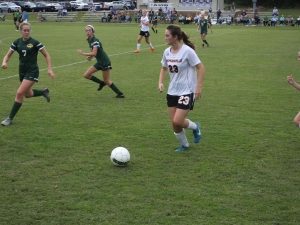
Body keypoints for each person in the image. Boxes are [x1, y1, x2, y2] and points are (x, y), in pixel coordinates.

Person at [158, 25, 205, 152]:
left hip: (187, 90)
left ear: (176, 37)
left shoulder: (187, 51)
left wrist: (198, 87)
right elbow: (163, 68)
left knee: (178, 121)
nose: (165, 37)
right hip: (172, 91)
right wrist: (160, 82)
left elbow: (201, 67)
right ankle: (185, 145)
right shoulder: (166, 52)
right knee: (174, 123)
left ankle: (195, 127)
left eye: (167, 35)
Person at [1, 22, 55, 126]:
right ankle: (43, 92)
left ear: (30, 31)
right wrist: (4, 62)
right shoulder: (17, 42)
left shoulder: (35, 42)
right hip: (22, 71)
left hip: (32, 71)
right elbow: (7, 55)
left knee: (19, 93)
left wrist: (49, 69)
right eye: (24, 30)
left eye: (28, 30)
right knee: (27, 94)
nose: (26, 32)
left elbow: (47, 55)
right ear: (20, 31)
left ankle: (9, 118)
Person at [77, 25, 124, 98]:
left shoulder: (95, 40)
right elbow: (93, 52)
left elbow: (94, 53)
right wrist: (90, 57)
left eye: (89, 30)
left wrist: (83, 53)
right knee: (86, 75)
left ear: (93, 31)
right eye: (86, 30)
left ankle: (120, 94)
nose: (87, 32)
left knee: (107, 81)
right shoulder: (89, 40)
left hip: (105, 62)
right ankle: (101, 83)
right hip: (99, 62)